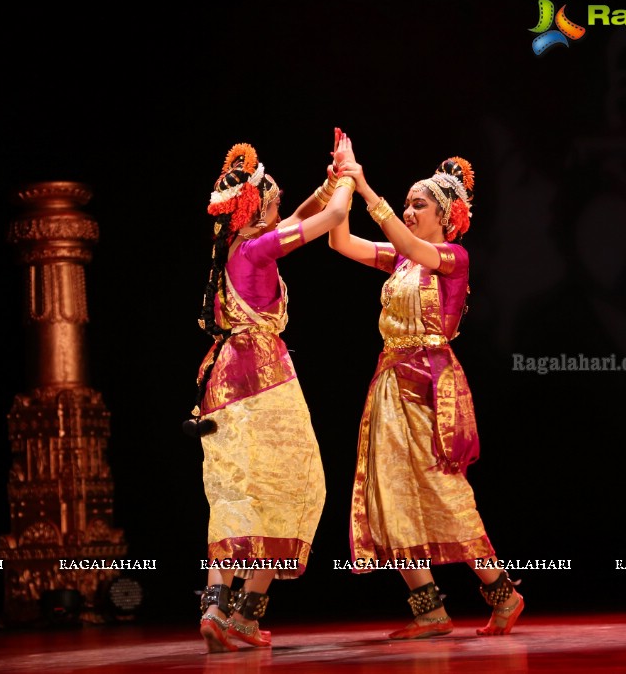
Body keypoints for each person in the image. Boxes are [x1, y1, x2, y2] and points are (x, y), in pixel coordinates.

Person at [329, 137, 524, 639]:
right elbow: (340, 242)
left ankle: (503, 592)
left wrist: (366, 184)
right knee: (392, 492)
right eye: (408, 203)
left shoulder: (451, 257)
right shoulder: (400, 261)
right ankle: (429, 611)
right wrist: (342, 183)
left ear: (445, 215)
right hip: (391, 382)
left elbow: (412, 245)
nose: (410, 211)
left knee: (442, 487)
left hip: (429, 384)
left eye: (419, 204)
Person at [187, 138, 357, 653]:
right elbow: (331, 217)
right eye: (275, 202)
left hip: (221, 383)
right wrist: (350, 177)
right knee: (293, 487)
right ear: (257, 209)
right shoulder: (260, 248)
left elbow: (305, 213)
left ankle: (217, 606)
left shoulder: (237, 248)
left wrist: (327, 181)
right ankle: (245, 614)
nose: (281, 209)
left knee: (237, 494)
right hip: (261, 379)